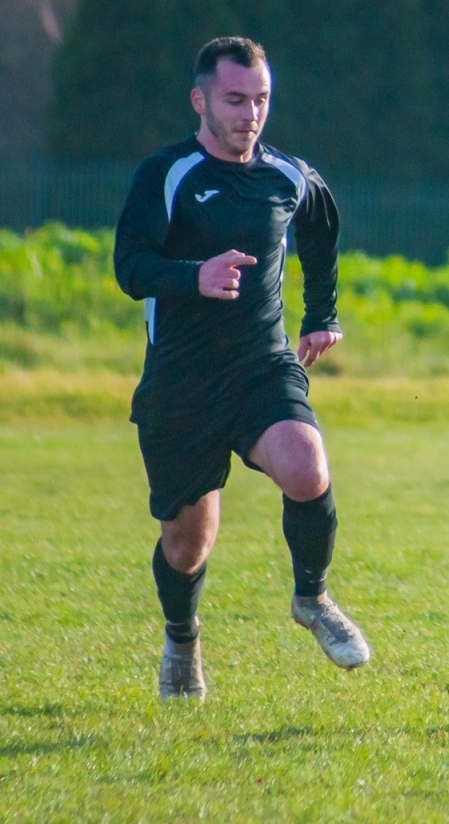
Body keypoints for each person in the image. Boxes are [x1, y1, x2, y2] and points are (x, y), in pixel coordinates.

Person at [113, 37, 370, 701]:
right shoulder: (166, 176)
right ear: (200, 100)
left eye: (261, 100)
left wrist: (323, 314)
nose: (250, 113)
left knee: (308, 467)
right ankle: (181, 639)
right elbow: (129, 268)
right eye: (235, 99)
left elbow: (321, 232)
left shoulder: (287, 176)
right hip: (182, 385)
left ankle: (311, 598)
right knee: (186, 545)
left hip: (261, 367)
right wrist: (194, 277)